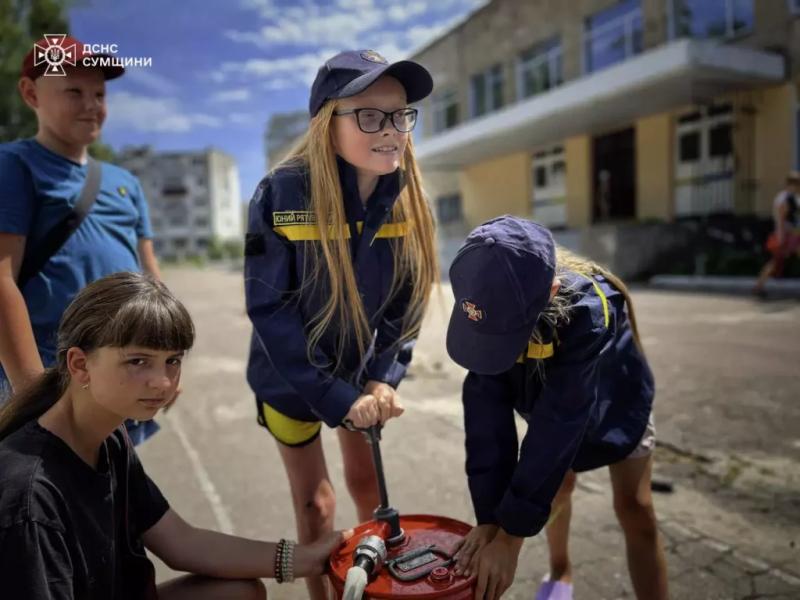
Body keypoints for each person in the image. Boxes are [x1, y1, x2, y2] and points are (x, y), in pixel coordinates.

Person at [0, 272, 350, 599]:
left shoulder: (109, 437)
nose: (164, 382)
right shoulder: (30, 496)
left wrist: (310, 558)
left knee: (241, 591)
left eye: (173, 360)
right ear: (79, 364)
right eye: (138, 361)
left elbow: (180, 542)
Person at [244, 49, 437, 599]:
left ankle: (374, 588)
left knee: (368, 484)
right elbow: (270, 310)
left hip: (356, 375)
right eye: (370, 116)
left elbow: (407, 300)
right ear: (328, 125)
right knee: (317, 505)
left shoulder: (405, 194)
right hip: (289, 379)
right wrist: (332, 396)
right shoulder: (281, 193)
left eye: (400, 115)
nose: (391, 130)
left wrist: (382, 378)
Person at [446, 216, 668, 600]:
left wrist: (510, 539)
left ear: (551, 291)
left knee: (635, 508)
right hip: (555, 403)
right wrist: (489, 520)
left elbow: (559, 424)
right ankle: (560, 569)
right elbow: (485, 422)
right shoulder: (488, 310)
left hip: (615, 399)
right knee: (557, 485)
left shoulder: (589, 312)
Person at [0, 36, 161, 444]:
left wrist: (164, 363)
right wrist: (35, 398)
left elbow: (151, 275)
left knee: (113, 497)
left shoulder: (125, 181)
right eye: (74, 90)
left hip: (123, 377)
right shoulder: (14, 165)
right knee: (41, 499)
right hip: (51, 381)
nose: (91, 104)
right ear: (31, 93)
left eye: (99, 93)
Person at [754, 171, 800, 297]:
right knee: (774, 262)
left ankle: (758, 287)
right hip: (786, 234)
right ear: (789, 184)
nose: (797, 187)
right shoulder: (784, 198)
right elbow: (781, 219)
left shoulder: (793, 197)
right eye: (795, 184)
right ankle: (758, 287)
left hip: (794, 234)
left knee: (775, 262)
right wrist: (781, 237)